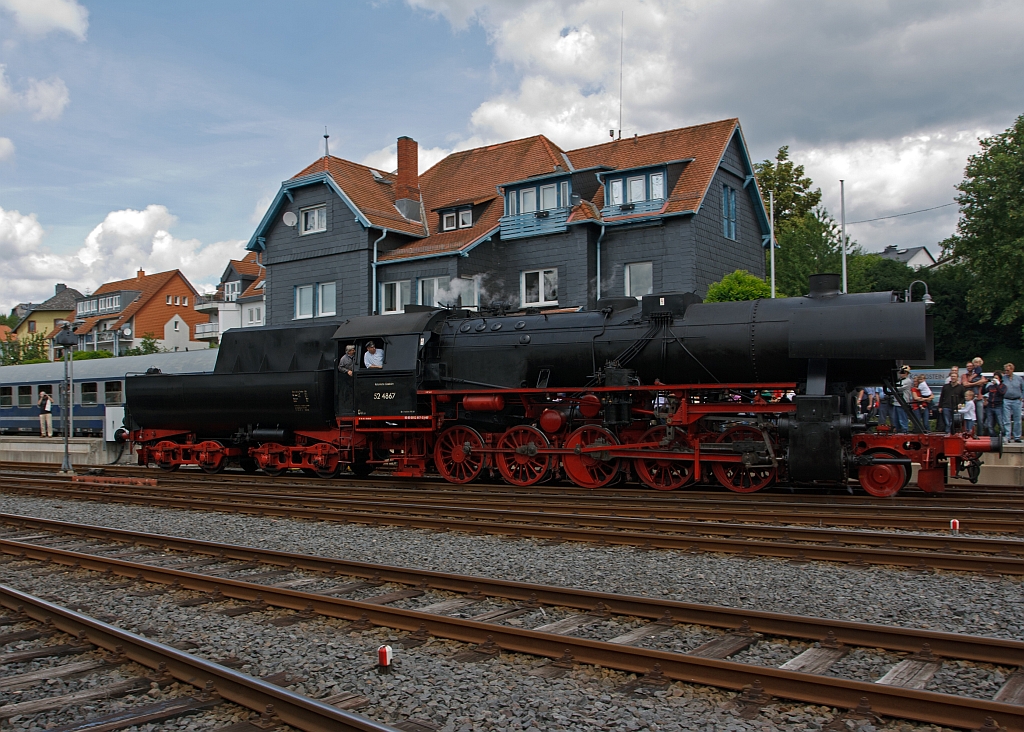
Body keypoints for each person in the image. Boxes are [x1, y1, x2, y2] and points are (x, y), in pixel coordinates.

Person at [962, 358, 987, 434]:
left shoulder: (980, 375)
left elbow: (983, 381)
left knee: (980, 418)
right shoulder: (964, 376)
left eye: (970, 366)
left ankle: (980, 434)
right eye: (967, 366)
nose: (969, 367)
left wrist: (971, 383)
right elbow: (965, 384)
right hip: (969, 400)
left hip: (978, 398)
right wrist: (976, 383)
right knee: (968, 418)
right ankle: (968, 433)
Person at [1002, 362, 1024, 442]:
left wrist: (1022, 397)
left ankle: (1017, 436)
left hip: (1017, 400)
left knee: (1017, 419)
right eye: (1005, 370)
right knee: (1006, 419)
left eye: (1007, 370)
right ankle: (1007, 436)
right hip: (1006, 400)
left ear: (1012, 370)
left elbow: (1023, 388)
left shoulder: (1019, 379)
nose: (1006, 372)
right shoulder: (1003, 378)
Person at [938, 366, 963, 433]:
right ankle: (947, 433)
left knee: (954, 422)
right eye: (952, 376)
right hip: (946, 406)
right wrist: (940, 406)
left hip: (955, 407)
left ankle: (954, 434)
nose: (953, 378)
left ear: (957, 378)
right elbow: (942, 396)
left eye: (954, 376)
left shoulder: (961, 387)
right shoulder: (945, 386)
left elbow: (963, 398)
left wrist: (960, 404)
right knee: (947, 422)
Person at [984, 370, 1006, 436]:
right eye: (994, 378)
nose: (995, 379)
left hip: (998, 406)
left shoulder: (1003, 386)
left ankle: (1003, 435)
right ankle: (993, 437)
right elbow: (983, 392)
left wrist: (998, 385)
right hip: (990, 406)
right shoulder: (991, 386)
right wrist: (984, 383)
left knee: (1000, 423)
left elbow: (1002, 392)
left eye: (996, 378)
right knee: (989, 424)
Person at [892, 366, 912, 432]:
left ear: (906, 373)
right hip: (896, 402)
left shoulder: (907, 381)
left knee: (902, 420)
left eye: (902, 372)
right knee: (896, 420)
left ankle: (904, 431)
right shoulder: (901, 380)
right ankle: (898, 431)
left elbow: (896, 387)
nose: (901, 374)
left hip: (902, 403)